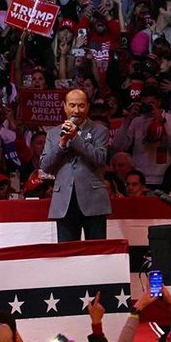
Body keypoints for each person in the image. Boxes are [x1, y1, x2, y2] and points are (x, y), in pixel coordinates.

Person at [40, 89, 111, 241]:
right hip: (64, 202)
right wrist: (61, 145)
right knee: (67, 252)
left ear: (88, 107)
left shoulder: (100, 131)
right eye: (72, 105)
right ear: (64, 107)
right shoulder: (53, 133)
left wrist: (75, 138)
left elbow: (100, 159)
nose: (76, 110)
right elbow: (45, 165)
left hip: (93, 200)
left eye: (81, 105)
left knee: (96, 251)